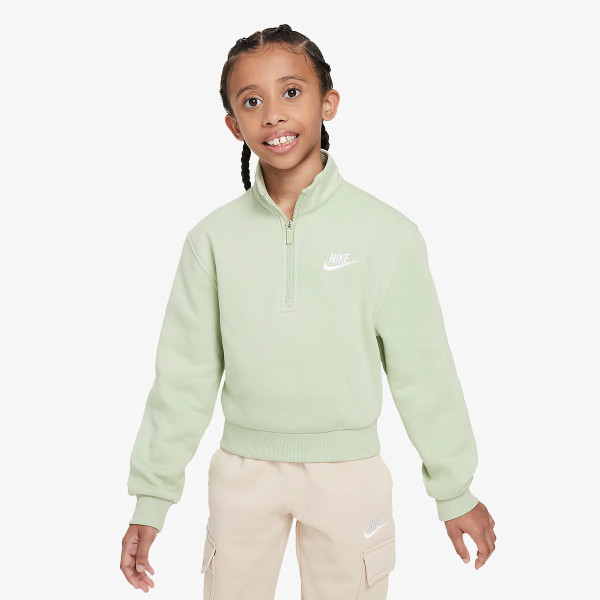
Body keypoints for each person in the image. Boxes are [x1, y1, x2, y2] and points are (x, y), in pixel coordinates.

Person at [120, 23, 496, 598]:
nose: (273, 114)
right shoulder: (211, 241)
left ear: (329, 103)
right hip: (242, 474)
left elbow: (424, 373)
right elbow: (183, 379)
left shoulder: (386, 235)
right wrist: (152, 498)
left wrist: (455, 491)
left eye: (291, 92)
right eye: (252, 101)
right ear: (233, 124)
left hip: (351, 477)